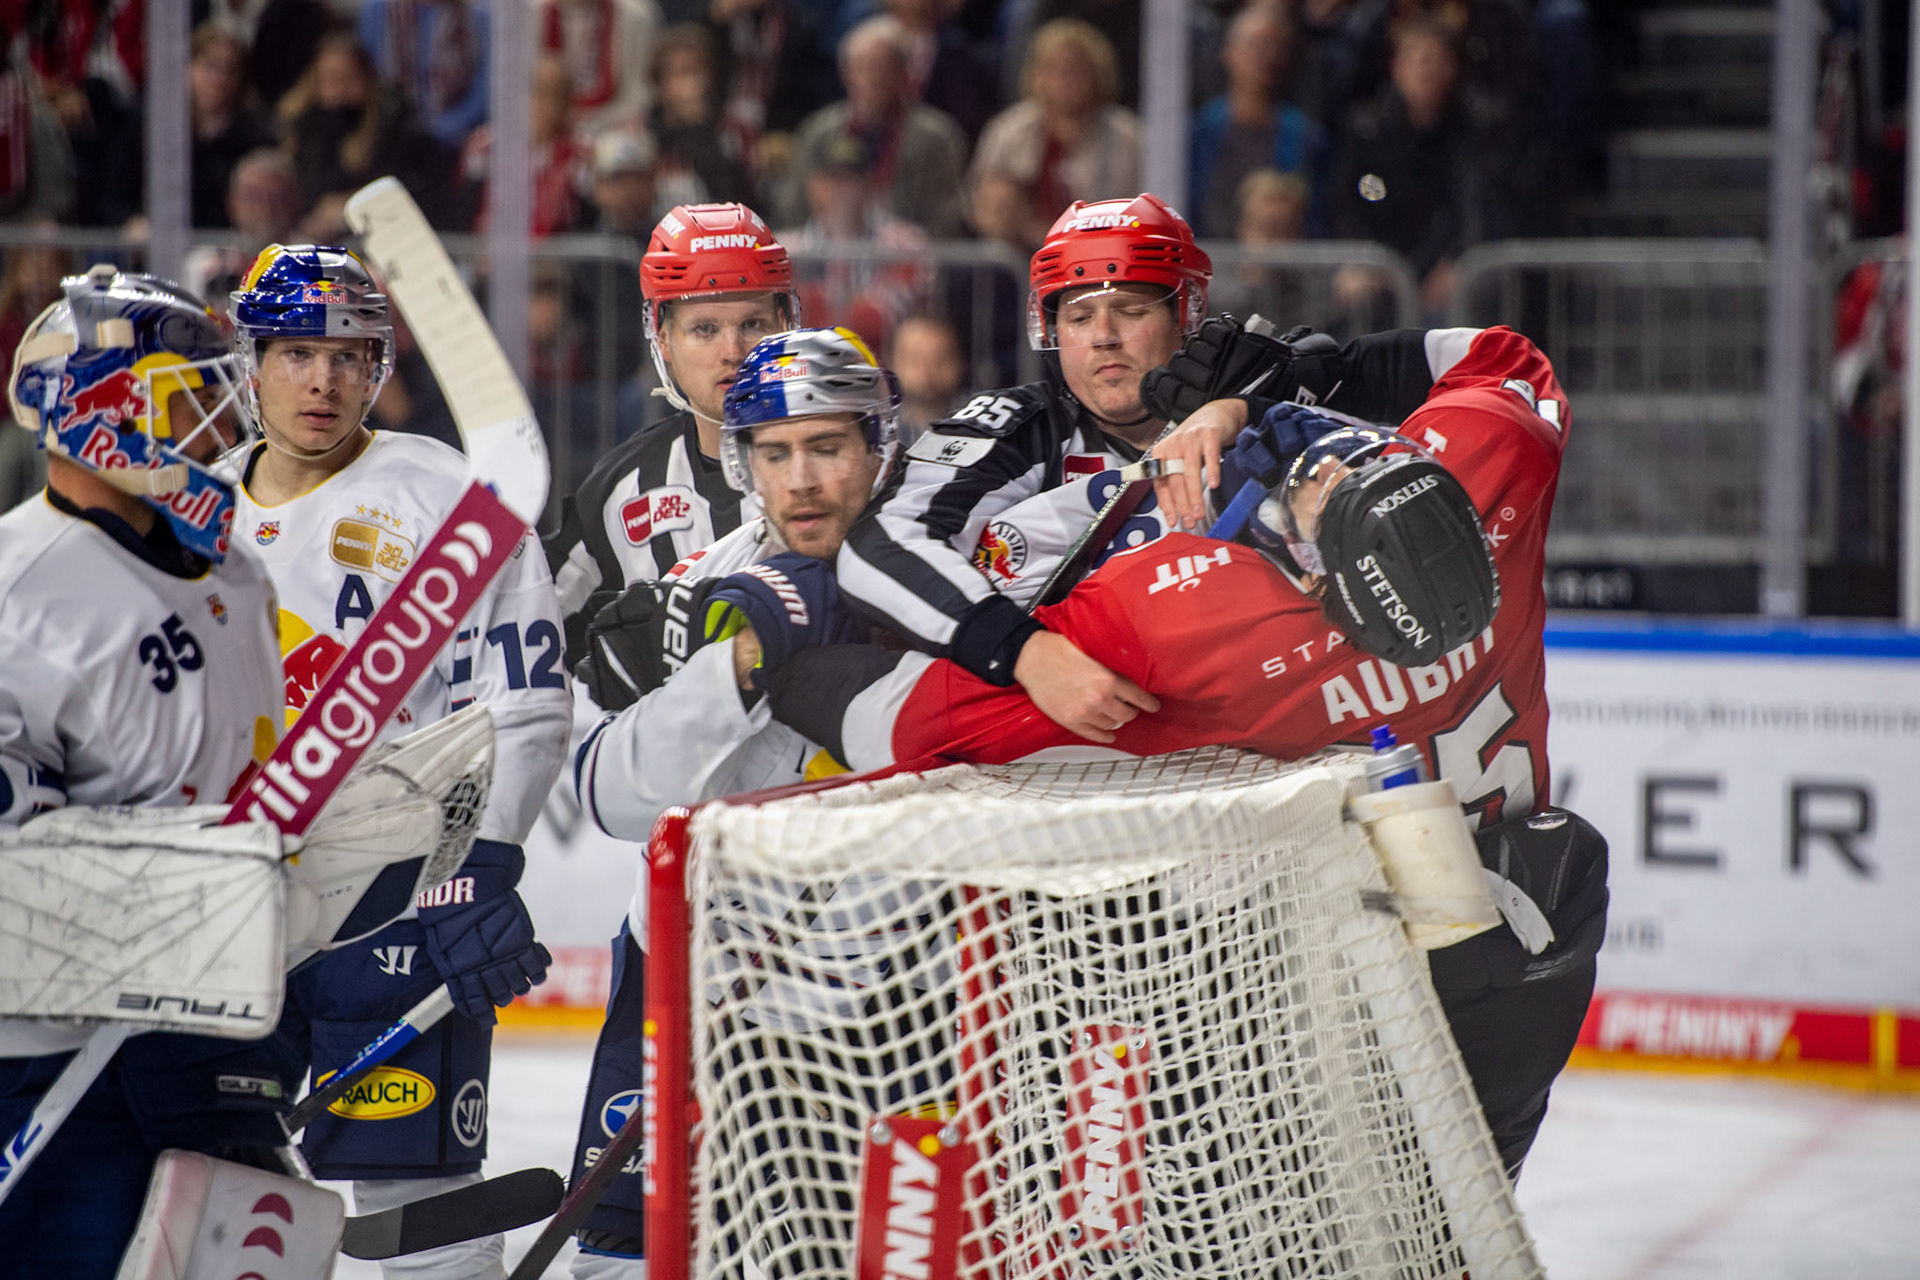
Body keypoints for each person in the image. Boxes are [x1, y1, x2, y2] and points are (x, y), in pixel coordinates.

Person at [768, 323, 1599, 1178]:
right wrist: (1270, 393)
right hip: (1498, 918)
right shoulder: (1492, 462)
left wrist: (781, 645)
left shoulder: (1190, 617)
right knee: (1455, 1224)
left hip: (1320, 966)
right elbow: (1503, 359)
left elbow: (900, 725)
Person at [227, 244, 572, 1279]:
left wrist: (480, 863)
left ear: (381, 365)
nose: (323, 380)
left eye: (351, 354)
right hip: (221, 903)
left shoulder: (449, 496)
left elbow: (523, 695)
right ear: (252, 358)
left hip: (390, 898)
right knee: (216, 1190)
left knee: (419, 1210)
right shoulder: (186, 501)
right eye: (297, 351)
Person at [562, 327, 902, 1276]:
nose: (801, 480)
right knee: (620, 1258)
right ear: (743, 462)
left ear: (878, 447)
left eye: (827, 447)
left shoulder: (947, 582)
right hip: (682, 977)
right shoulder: (704, 588)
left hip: (874, 997)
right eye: (774, 451)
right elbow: (607, 793)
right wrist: (742, 668)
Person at [0, 266, 291, 1275]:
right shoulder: (17, 591)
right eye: (185, 398)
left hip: (222, 1034)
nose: (217, 427)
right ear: (95, 415)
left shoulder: (237, 569)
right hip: (56, 1061)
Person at [832, 191, 1213, 745]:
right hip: (1060, 743)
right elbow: (876, 548)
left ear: (1188, 313)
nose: (1103, 335)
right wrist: (1027, 653)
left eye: (1131, 309)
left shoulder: (1257, 405)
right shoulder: (1015, 424)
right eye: (1079, 316)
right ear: (1052, 331)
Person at [542, 202, 797, 660]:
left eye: (753, 325)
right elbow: (532, 626)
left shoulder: (845, 459)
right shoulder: (619, 491)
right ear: (663, 341)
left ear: (786, 325)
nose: (732, 351)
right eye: (704, 329)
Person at [775, 15, 969, 237]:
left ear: (905, 73)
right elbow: (792, 208)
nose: (873, 78)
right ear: (845, 73)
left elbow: (947, 219)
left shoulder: (936, 138)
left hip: (907, 257)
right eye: (863, 67)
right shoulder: (818, 131)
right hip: (826, 254)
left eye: (884, 67)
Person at [969, 18, 1140, 226]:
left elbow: (1140, 210)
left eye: (1076, 70)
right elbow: (977, 204)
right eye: (1054, 69)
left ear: (1098, 75)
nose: (1065, 80)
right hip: (1018, 250)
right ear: (1036, 75)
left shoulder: (1128, 137)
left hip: (1104, 247)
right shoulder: (1008, 130)